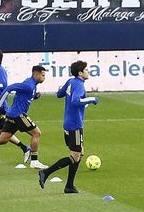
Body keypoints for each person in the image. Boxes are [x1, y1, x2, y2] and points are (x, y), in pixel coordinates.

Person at [39, 61, 99, 194]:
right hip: (75, 125)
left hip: (67, 123)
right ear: (80, 73)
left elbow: (59, 94)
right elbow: (76, 101)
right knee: (75, 156)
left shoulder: (71, 81)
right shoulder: (79, 85)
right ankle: (46, 172)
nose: (88, 72)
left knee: (79, 153)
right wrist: (91, 99)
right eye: (86, 70)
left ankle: (69, 186)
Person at [0, 65, 47, 169]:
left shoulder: (32, 85)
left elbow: (22, 96)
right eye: (43, 75)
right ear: (36, 74)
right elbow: (9, 88)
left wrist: (34, 96)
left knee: (3, 139)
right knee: (36, 133)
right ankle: (34, 161)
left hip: (11, 114)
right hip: (18, 115)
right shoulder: (29, 85)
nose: (44, 78)